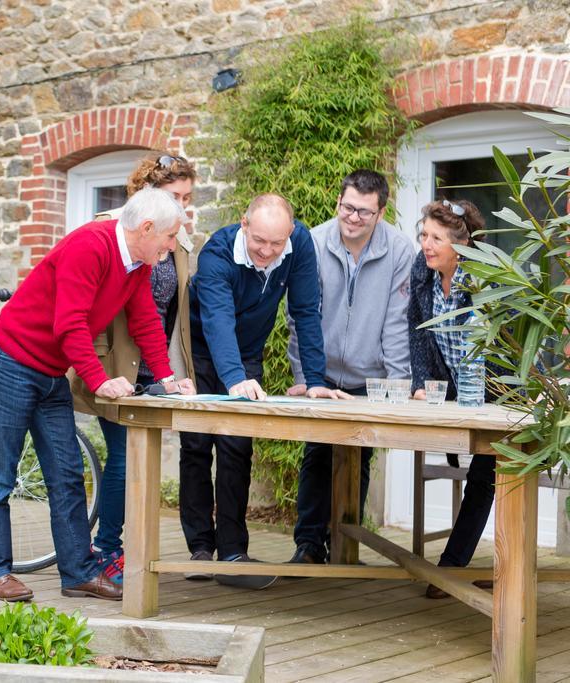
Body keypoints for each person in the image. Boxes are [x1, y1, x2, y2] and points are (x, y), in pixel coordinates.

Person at [0, 187, 197, 603]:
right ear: (147, 229)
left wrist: (167, 377)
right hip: (13, 360)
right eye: (170, 237)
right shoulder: (90, 246)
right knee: (0, 472)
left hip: (49, 371)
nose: (173, 245)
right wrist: (99, 380)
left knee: (66, 474)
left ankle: (78, 572)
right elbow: (70, 323)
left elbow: (145, 319)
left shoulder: (139, 264)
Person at [180, 193, 350, 589]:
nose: (267, 252)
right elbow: (217, 321)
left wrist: (317, 380)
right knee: (197, 444)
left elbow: (306, 311)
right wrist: (234, 378)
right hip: (203, 351)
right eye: (259, 241)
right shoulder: (216, 254)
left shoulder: (299, 245)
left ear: (290, 233)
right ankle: (201, 548)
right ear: (244, 223)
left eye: (276, 243)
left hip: (248, 353)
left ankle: (234, 551)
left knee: (238, 447)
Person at [69, 153, 197, 586]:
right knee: (124, 458)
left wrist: (169, 373)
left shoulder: (178, 241)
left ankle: (128, 549)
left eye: (187, 198)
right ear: (151, 197)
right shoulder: (113, 228)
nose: (183, 206)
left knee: (142, 462)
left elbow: (166, 313)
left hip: (154, 363)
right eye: (176, 197)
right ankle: (108, 549)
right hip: (114, 361)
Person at [286, 170, 415, 564]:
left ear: (380, 212)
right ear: (337, 202)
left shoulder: (399, 249)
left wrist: (399, 386)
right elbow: (301, 317)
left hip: (370, 377)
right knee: (317, 454)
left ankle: (343, 542)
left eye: (364, 211)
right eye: (347, 207)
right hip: (321, 372)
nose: (353, 218)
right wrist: (305, 379)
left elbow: (397, 322)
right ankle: (308, 545)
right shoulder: (313, 241)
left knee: (358, 459)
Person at [407, 198, 496, 599]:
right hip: (455, 394)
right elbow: (418, 327)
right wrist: (423, 381)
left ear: (460, 245)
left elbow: (504, 346)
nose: (426, 244)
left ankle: (450, 568)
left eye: (436, 238)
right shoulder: (422, 272)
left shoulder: (483, 279)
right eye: (424, 235)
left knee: (486, 475)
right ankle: (451, 569)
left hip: (500, 393)